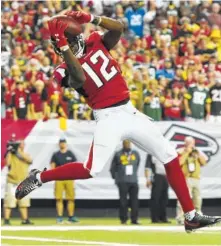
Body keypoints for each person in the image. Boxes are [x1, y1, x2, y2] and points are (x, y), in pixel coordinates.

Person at [15, 10, 221, 233]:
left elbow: (118, 28)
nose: (61, 47)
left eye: (64, 42)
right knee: (91, 169)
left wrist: (90, 17)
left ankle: (190, 216)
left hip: (129, 111)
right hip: (107, 117)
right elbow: (80, 78)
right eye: (61, 44)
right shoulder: (61, 69)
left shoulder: (95, 40)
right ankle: (40, 177)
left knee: (170, 156)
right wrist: (65, 48)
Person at [176, 137, 207, 225]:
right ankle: (181, 218)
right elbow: (179, 163)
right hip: (185, 178)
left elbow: (204, 163)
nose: (191, 145)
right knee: (184, 199)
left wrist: (197, 154)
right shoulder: (180, 151)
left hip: (196, 178)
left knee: (197, 198)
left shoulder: (197, 151)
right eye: (189, 143)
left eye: (192, 143)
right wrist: (187, 152)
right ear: (185, 143)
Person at [4, 138, 33, 225]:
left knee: (24, 203)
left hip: (23, 182)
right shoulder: (11, 155)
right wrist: (9, 151)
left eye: (22, 143)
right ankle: (6, 220)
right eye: (19, 143)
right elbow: (8, 164)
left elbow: (30, 160)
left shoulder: (25, 154)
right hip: (12, 181)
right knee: (9, 202)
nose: (20, 145)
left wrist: (17, 152)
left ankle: (25, 220)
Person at [110, 140, 140, 225]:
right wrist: (116, 179)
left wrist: (133, 174)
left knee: (134, 201)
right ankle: (123, 219)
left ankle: (134, 219)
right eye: (126, 143)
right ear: (123, 144)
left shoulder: (135, 153)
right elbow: (113, 168)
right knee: (123, 201)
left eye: (129, 143)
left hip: (133, 180)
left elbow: (137, 164)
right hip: (122, 181)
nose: (128, 144)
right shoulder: (118, 154)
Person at [50, 138, 78, 224]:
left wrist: (74, 178)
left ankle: (71, 216)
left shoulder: (70, 154)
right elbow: (52, 166)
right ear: (59, 144)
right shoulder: (56, 155)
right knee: (59, 198)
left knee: (71, 198)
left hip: (69, 178)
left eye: (63, 143)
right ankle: (59, 217)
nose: (62, 144)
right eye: (61, 143)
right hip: (59, 179)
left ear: (66, 144)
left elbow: (75, 166)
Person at [145, 154, 170, 224]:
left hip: (165, 176)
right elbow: (147, 167)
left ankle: (163, 217)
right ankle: (155, 218)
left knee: (164, 198)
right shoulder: (151, 153)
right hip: (157, 176)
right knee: (155, 198)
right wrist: (148, 179)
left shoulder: (165, 153)